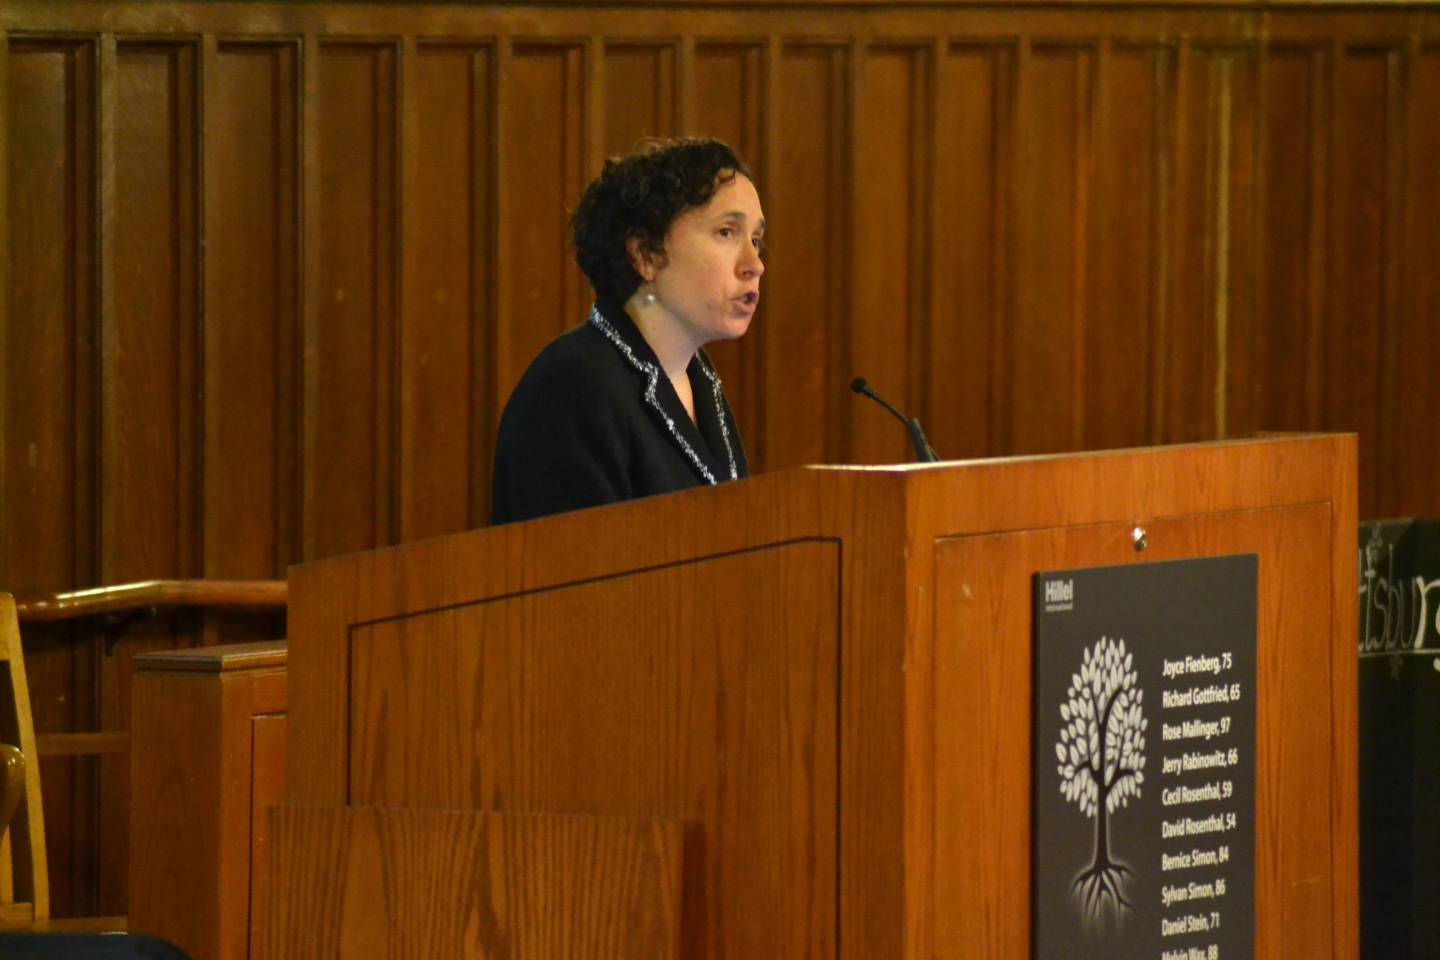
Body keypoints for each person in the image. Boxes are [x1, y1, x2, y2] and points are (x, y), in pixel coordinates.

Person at [490, 138, 766, 525]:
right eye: (726, 233)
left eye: (756, 239)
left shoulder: (700, 381)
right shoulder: (572, 385)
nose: (754, 264)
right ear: (646, 254)